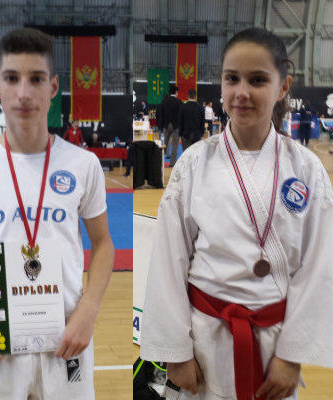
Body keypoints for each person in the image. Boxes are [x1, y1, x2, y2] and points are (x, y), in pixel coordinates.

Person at [141, 27, 333, 400]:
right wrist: (175, 353)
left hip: (275, 348)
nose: (241, 92)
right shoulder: (194, 163)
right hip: (205, 342)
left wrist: (292, 354)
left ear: (282, 87)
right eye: (232, 79)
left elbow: (319, 267)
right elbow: (168, 261)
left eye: (257, 80)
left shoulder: (306, 169)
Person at [0, 28, 114, 399]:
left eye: (36, 79)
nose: (24, 93)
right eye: (12, 78)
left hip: (66, 337)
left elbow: (103, 244)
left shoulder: (82, 164)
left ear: (53, 87)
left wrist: (88, 312)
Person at [160, 84, 183, 166]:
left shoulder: (164, 101)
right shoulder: (179, 102)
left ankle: (160, 161)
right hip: (176, 126)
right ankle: (172, 163)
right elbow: (181, 115)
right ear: (176, 92)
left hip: (166, 125)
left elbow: (161, 114)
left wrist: (161, 125)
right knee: (175, 145)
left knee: (163, 145)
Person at [180, 89, 206, 160]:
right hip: (197, 134)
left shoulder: (183, 107)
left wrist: (180, 133)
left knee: (185, 156)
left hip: (185, 134)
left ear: (188, 96)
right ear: (195, 96)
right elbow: (202, 122)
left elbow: (180, 121)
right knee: (196, 155)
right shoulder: (200, 108)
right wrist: (201, 133)